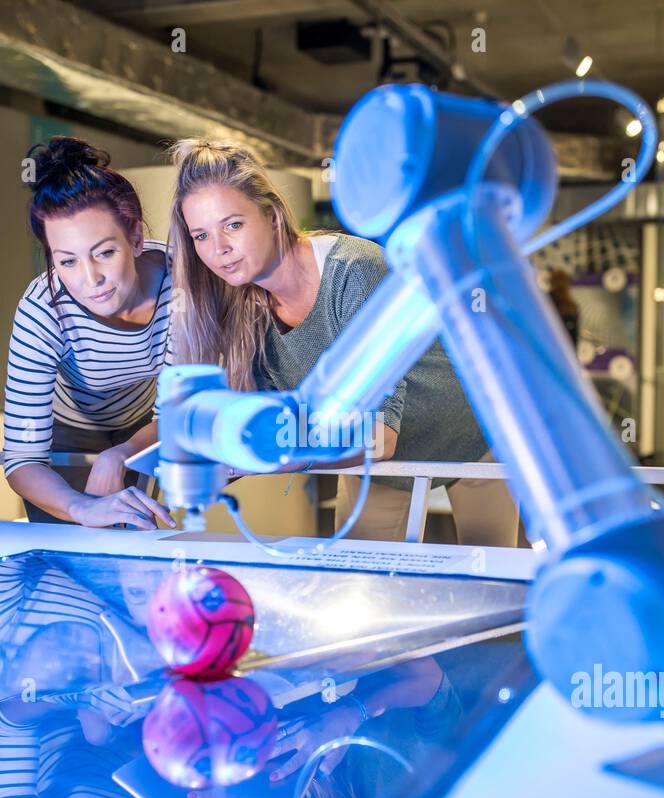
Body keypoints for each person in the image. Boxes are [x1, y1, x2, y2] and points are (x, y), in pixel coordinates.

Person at [166, 139, 520, 547]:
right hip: (385, 463)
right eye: (201, 235)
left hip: (471, 434)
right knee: (360, 586)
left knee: (495, 582)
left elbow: (377, 435)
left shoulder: (355, 270)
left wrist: (269, 457)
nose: (219, 249)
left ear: (272, 215)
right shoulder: (245, 305)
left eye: (233, 225)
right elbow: (285, 420)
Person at [2, 136, 176, 531]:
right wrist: (80, 508)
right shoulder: (42, 308)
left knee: (131, 559)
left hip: (143, 426)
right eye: (67, 261)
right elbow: (21, 459)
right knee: (68, 566)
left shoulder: (181, 286)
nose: (90, 279)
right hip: (66, 432)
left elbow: (174, 414)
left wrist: (123, 452)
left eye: (104, 253)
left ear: (134, 236)